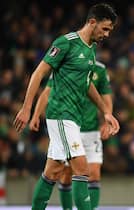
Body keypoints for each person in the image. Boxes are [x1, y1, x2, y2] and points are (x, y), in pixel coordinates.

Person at [13, 3, 119, 210]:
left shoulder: (91, 49)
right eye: (105, 28)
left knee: (52, 171)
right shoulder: (66, 43)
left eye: (110, 30)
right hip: (61, 114)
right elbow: (38, 74)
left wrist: (106, 112)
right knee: (82, 169)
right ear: (92, 22)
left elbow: (87, 85)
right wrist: (27, 109)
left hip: (74, 117)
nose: (107, 34)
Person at [29, 60, 115, 210]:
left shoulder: (100, 70)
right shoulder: (63, 66)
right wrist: (35, 115)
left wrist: (107, 118)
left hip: (91, 129)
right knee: (64, 174)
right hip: (69, 127)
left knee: (93, 173)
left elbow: (106, 97)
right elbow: (46, 92)